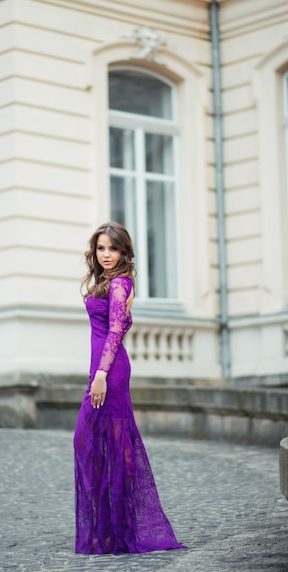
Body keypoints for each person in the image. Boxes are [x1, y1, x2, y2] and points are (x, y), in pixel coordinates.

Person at [74, 222, 187, 555]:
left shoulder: (121, 283)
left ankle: (118, 532)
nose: (106, 254)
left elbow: (115, 331)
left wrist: (101, 375)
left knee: (110, 445)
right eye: (101, 248)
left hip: (110, 372)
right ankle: (107, 529)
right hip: (101, 371)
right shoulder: (101, 282)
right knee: (90, 443)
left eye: (113, 248)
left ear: (124, 252)